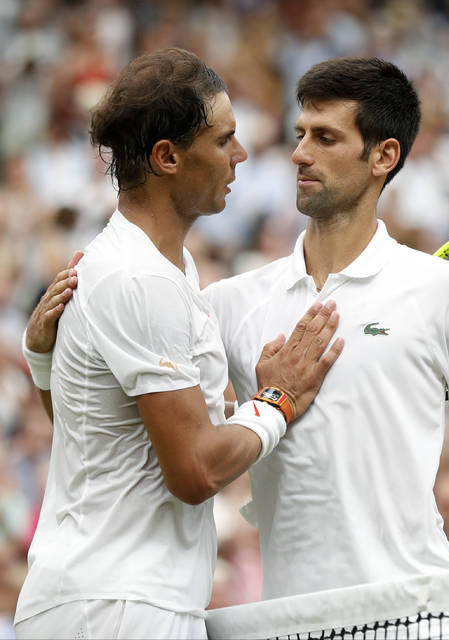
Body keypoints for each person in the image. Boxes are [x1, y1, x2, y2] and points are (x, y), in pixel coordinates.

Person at [26, 56, 449, 620]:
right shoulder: (225, 303)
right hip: (286, 621)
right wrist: (50, 360)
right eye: (299, 134)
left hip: (420, 612)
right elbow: (118, 432)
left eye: (326, 137)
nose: (299, 153)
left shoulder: (440, 288)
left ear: (383, 156)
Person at [14, 48, 343, 640]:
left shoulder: (154, 268)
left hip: (106, 601)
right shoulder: (141, 278)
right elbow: (193, 471)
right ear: (167, 156)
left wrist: (44, 363)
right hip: (118, 609)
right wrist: (277, 400)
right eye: (223, 141)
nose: (240, 156)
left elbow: (93, 434)